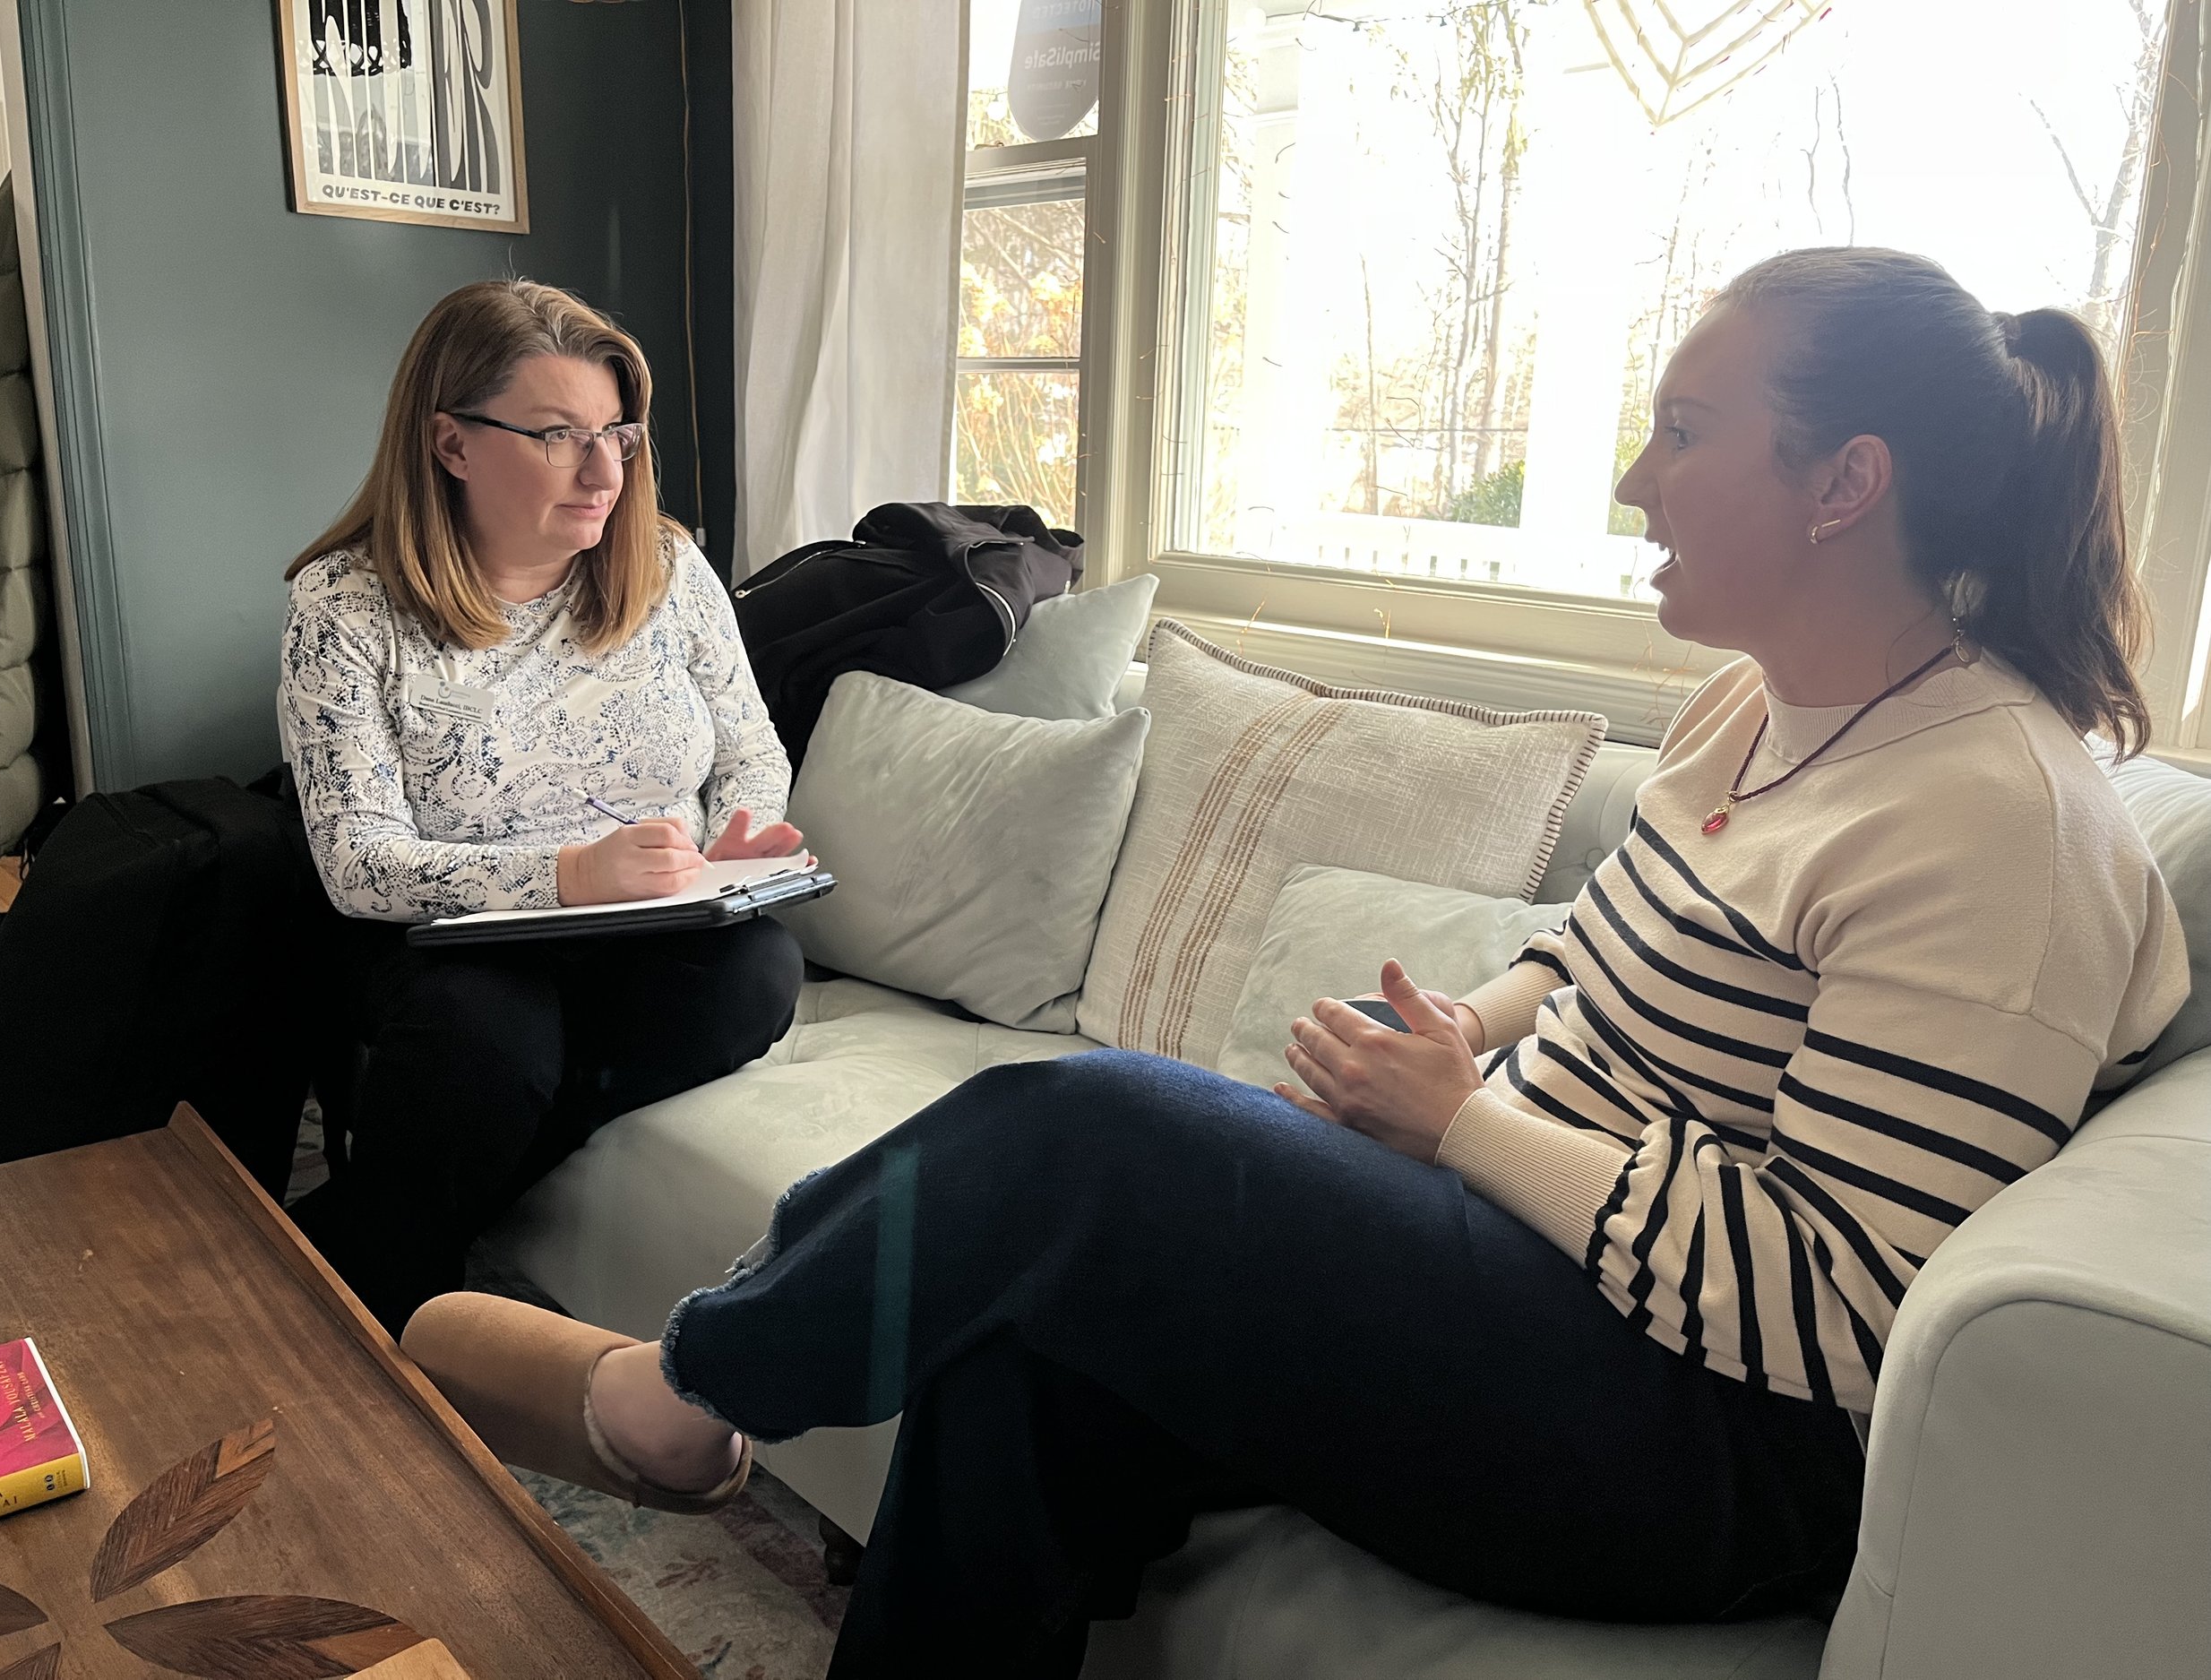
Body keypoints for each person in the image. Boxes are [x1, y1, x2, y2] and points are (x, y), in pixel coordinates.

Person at [403, 248, 2190, 1676]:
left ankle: (681, 1395)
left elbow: (1840, 1311)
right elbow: (1607, 941)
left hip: (1694, 1439)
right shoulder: (1770, 702)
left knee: (1087, 1129)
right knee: (1025, 1334)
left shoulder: (1991, 820)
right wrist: (1468, 1031)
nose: (1632, 474)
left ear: (1843, 484)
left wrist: (1463, 1127)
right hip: (1540, 1270)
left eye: (1684, 430)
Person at [280, 280, 806, 1335]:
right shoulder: (342, 607)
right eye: (559, 435)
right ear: (451, 444)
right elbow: (358, 862)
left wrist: (733, 839)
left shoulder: (666, 566)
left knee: (758, 975)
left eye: (618, 432)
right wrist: (570, 873)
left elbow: (752, 753)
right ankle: (384, 1301)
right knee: (487, 1046)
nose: (606, 470)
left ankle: (371, 1227)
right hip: (457, 937)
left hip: (650, 919)